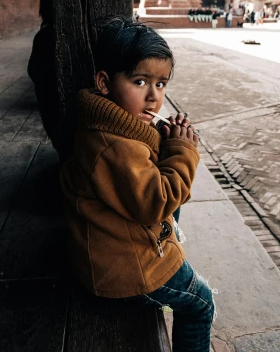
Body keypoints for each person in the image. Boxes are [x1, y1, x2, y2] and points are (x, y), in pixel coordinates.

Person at [60, 17, 214, 352]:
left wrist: (165, 141)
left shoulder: (106, 121)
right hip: (125, 269)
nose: (153, 97)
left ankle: (170, 241)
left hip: (113, 245)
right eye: (140, 81)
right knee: (201, 303)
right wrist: (183, 150)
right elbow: (155, 203)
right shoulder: (114, 146)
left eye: (161, 84)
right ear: (105, 82)